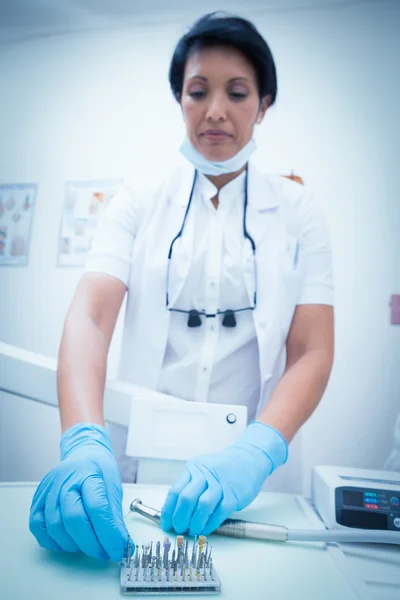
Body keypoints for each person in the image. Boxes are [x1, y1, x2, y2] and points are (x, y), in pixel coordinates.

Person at [29, 12, 334, 561]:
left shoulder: (298, 211)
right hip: (139, 469)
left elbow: (312, 349)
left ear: (263, 105)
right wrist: (81, 438)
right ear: (179, 99)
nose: (215, 110)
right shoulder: (137, 200)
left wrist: (259, 452)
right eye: (198, 91)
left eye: (237, 92)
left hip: (253, 484)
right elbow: (90, 319)